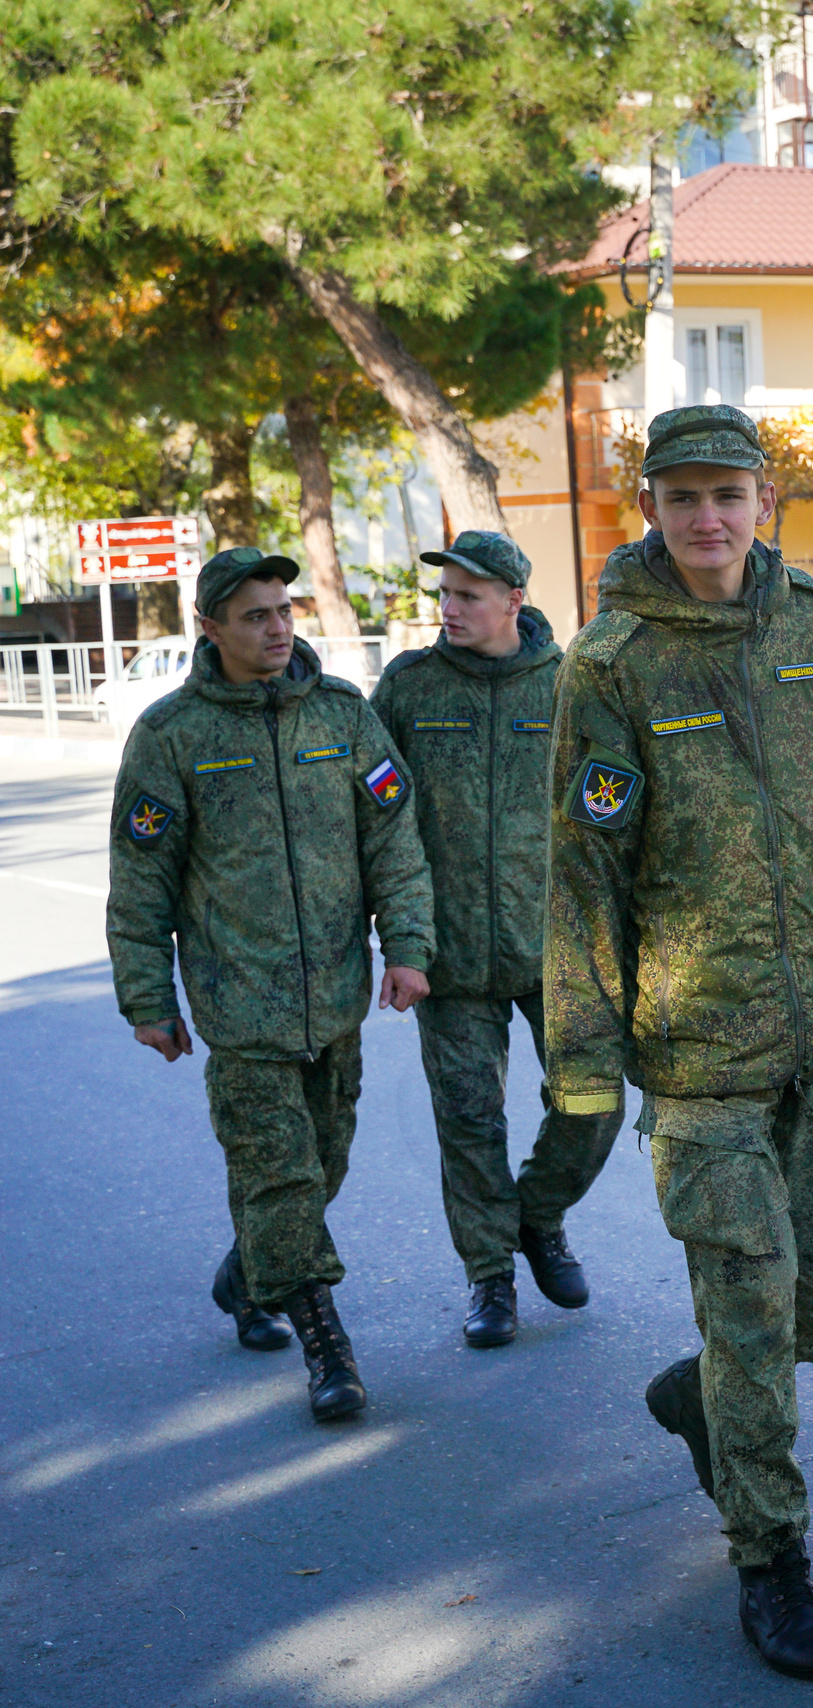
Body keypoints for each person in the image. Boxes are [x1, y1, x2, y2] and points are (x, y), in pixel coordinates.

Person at [546, 405, 813, 1681]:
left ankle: (700, 1395)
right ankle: (772, 1562)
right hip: (697, 1049)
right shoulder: (612, 663)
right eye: (682, 496)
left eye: (728, 493)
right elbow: (583, 876)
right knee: (753, 1312)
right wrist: (583, 1055)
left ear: (765, 499)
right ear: (649, 507)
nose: (707, 518)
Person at [106, 547, 434, 1423]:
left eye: (284, 609)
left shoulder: (342, 714)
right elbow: (140, 882)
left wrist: (407, 948)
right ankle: (329, 1351)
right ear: (209, 628)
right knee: (281, 1175)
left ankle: (249, 1272)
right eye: (255, 615)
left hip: (335, 999)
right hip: (239, 1006)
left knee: (321, 1166)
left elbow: (394, 843)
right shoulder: (171, 736)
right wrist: (149, 1000)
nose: (278, 627)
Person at [372, 531, 620, 1350]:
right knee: (470, 1122)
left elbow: (610, 811)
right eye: (444, 594)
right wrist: (400, 938)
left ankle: (537, 1215)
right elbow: (378, 822)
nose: (449, 608)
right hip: (448, 955)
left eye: (468, 595)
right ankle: (490, 1276)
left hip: (557, 949)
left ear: (514, 600)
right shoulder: (408, 687)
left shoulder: (567, 684)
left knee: (593, 1099)